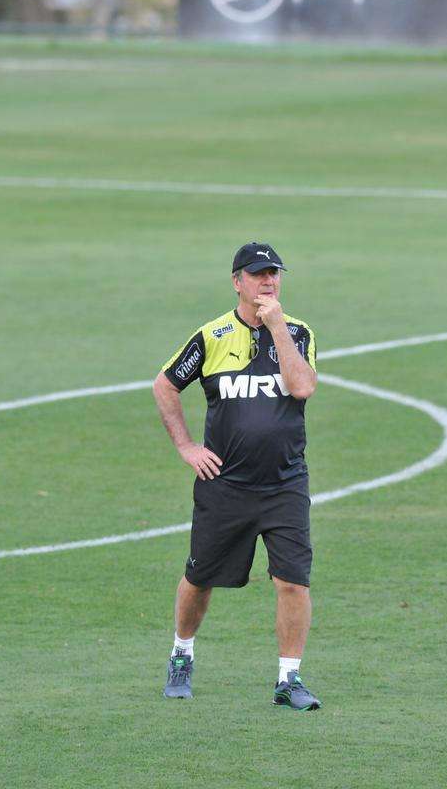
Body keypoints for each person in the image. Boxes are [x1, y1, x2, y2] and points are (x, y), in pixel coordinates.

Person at [153, 242, 321, 711]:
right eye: (258, 274)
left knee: (293, 582)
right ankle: (181, 654)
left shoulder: (298, 332)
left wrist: (277, 329)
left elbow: (302, 386)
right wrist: (187, 447)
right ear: (237, 281)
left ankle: (289, 679)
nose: (268, 281)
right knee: (200, 578)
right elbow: (165, 384)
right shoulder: (210, 336)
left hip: (286, 483)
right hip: (225, 486)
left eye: (274, 274)